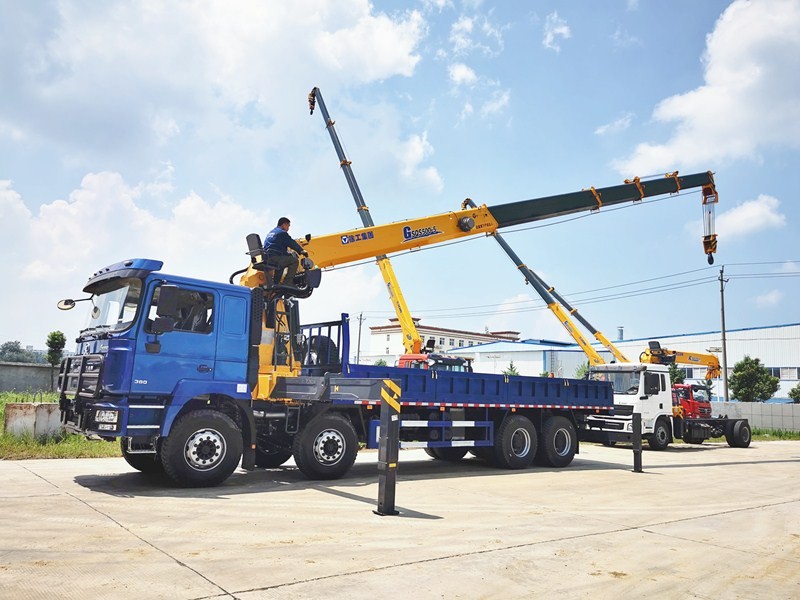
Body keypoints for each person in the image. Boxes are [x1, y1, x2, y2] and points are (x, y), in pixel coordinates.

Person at [263, 217, 308, 284]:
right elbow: (291, 242)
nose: (288, 229)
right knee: (294, 261)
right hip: (274, 257)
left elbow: (275, 246)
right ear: (284, 224)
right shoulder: (282, 233)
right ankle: (288, 283)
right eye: (288, 226)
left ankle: (276, 283)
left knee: (282, 263)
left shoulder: (271, 233)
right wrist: (301, 251)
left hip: (267, 257)